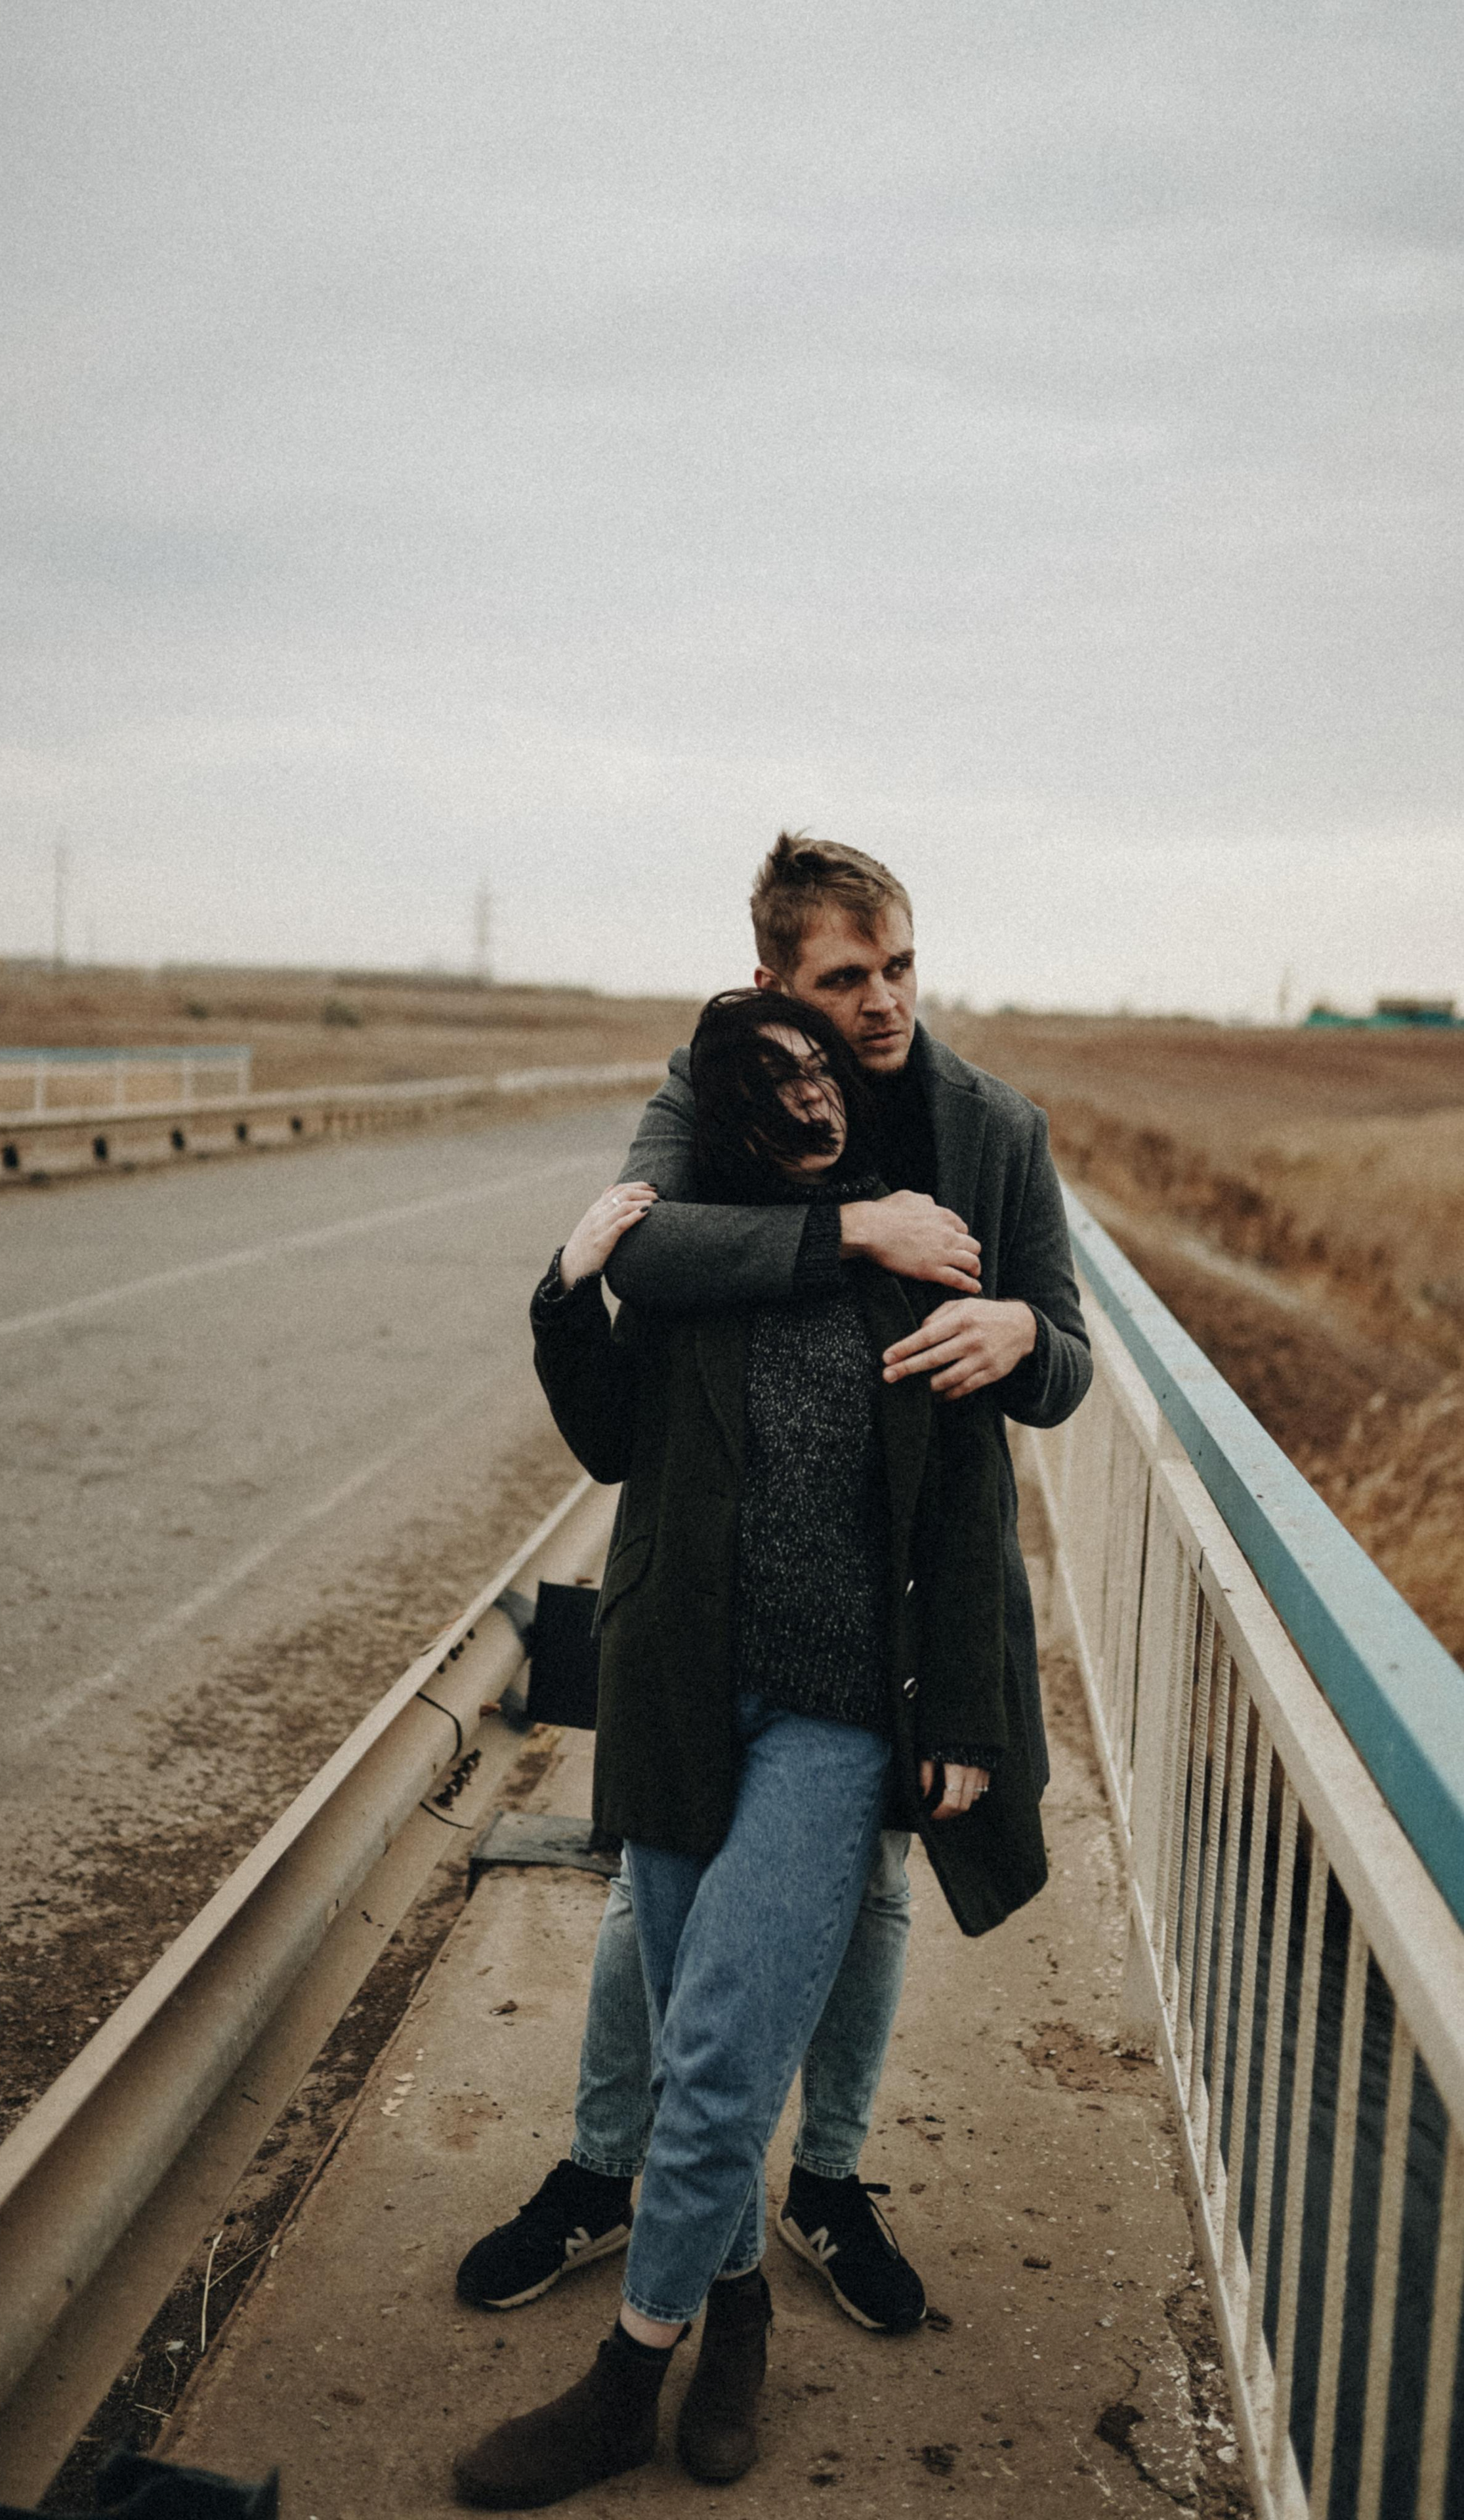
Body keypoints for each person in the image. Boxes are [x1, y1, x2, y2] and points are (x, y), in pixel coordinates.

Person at [455, 834, 1091, 2343]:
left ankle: (826, 2180)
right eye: (842, 979)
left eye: (900, 969)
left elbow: (1063, 1363)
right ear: (772, 984)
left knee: (868, 1895)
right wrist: (851, 1230)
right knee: (654, 1903)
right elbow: (646, 1251)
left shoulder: (991, 1129)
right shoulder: (719, 1086)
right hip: (713, 1604)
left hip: (908, 1607)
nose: (879, 1008)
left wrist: (1013, 1333)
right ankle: (610, 2167)